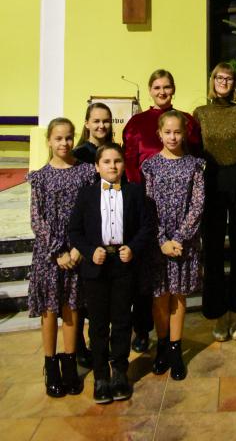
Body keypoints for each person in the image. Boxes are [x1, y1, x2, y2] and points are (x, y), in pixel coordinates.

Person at [123, 68, 201, 351]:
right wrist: (140, 206)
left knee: (174, 288)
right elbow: (129, 163)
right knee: (149, 281)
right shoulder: (136, 123)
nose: (162, 92)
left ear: (173, 89)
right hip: (146, 207)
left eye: (166, 87)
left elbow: (195, 160)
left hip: (180, 210)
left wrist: (179, 234)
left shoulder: (188, 121)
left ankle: (171, 344)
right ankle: (143, 331)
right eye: (157, 87)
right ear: (150, 90)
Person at [69, 144, 150, 404]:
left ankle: (119, 373)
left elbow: (146, 226)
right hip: (96, 265)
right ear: (96, 166)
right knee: (98, 324)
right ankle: (101, 377)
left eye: (117, 161)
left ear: (124, 165)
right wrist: (89, 251)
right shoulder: (86, 195)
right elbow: (74, 231)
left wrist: (133, 248)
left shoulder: (134, 192)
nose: (112, 166)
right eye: (106, 161)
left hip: (123, 265)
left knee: (122, 321)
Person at [27, 118, 97, 398]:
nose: (64, 143)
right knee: (50, 309)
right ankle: (50, 365)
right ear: (49, 141)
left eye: (69, 137)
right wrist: (57, 251)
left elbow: (93, 212)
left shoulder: (86, 172)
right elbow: (37, 219)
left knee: (72, 308)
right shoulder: (40, 177)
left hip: (77, 251)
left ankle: (70, 364)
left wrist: (79, 248)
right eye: (58, 138)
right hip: (49, 255)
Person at [142, 110, 205, 380]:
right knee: (160, 297)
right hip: (158, 243)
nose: (172, 137)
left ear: (184, 133)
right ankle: (162, 346)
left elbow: (197, 205)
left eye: (177, 132)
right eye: (167, 132)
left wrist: (179, 238)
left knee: (178, 295)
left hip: (183, 242)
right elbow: (147, 206)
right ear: (159, 134)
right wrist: (161, 240)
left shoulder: (194, 165)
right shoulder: (150, 166)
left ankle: (176, 350)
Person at [194, 62, 236, 341]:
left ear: (234, 83)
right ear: (212, 80)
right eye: (219, 77)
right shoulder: (200, 113)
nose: (224, 81)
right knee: (213, 249)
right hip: (211, 180)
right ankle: (218, 314)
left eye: (229, 78)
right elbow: (194, 150)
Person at [73, 101, 114, 367]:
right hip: (86, 234)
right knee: (80, 295)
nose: (101, 125)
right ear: (87, 123)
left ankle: (98, 343)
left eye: (105, 121)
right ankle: (79, 346)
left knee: (101, 295)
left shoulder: (112, 152)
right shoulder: (79, 155)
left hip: (108, 231)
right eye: (96, 121)